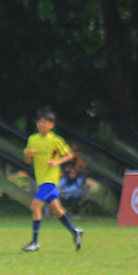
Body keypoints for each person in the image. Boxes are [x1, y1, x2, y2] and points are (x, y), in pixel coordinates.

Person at [21, 107, 83, 252]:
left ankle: (35, 242)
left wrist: (56, 162)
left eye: (45, 122)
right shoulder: (32, 139)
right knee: (56, 210)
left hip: (50, 180)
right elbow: (26, 160)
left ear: (51, 125)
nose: (41, 124)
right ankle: (75, 232)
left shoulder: (55, 140)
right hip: (41, 180)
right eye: (39, 122)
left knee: (35, 207)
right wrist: (28, 154)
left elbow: (70, 155)